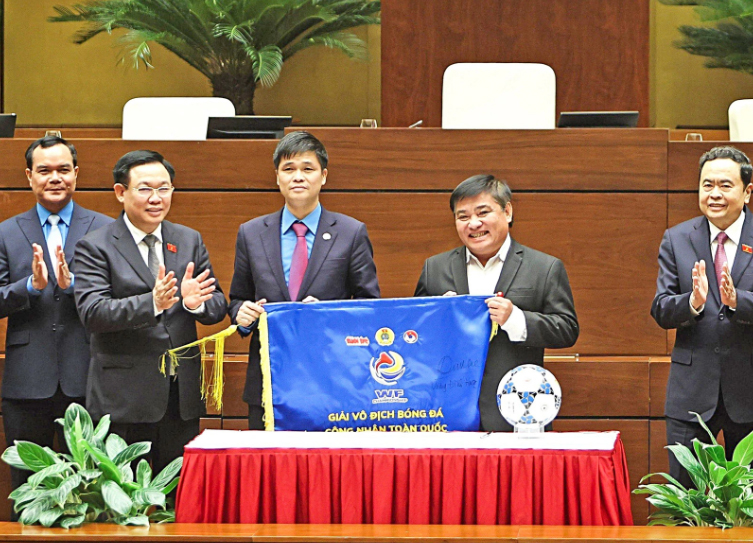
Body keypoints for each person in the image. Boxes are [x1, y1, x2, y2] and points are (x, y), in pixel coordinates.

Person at [651, 146, 753, 486]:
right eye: (706, 185)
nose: (714, 194)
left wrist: (739, 301)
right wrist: (693, 302)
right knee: (687, 501)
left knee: (751, 500)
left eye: (725, 185)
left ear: (747, 191)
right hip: (691, 393)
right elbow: (661, 307)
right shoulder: (677, 238)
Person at [73, 150, 227, 471]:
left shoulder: (188, 239)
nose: (156, 198)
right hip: (125, 399)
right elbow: (93, 312)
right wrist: (153, 303)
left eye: (164, 188)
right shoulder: (95, 245)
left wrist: (193, 303)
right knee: (125, 504)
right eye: (145, 189)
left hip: (179, 398)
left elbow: (216, 306)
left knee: (178, 498)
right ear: (121, 192)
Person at [228, 131, 380, 430]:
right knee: (269, 472)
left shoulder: (350, 232)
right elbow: (237, 299)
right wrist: (241, 315)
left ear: (323, 176)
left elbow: (370, 306)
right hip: (268, 381)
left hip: (332, 381)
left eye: (307, 169)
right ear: (277, 178)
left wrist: (327, 315)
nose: (298, 177)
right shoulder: (251, 233)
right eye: (289, 169)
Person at [414, 174, 579, 431]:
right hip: (448, 414)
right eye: (463, 216)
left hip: (517, 413)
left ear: (508, 211)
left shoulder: (543, 267)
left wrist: (516, 319)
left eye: (483, 212)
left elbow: (567, 330)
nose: (474, 223)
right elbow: (416, 336)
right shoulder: (434, 268)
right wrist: (438, 316)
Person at [0, 136, 111, 494]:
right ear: (29, 176)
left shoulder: (106, 229)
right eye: (44, 170)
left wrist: (75, 283)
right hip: (27, 379)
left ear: (76, 175)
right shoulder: (5, 232)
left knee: (90, 484)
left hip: (89, 374)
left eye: (64, 170)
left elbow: (118, 297)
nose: (55, 178)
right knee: (28, 484)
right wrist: (30, 286)